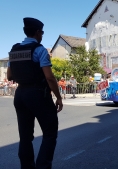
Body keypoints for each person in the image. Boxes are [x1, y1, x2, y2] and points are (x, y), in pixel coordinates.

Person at [6, 17, 63, 169]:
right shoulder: (39, 50)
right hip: (38, 94)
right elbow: (49, 77)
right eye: (42, 33)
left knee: (25, 137)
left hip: (20, 95)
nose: (42, 36)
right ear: (37, 32)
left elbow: (9, 77)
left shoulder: (14, 50)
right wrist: (58, 98)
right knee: (50, 134)